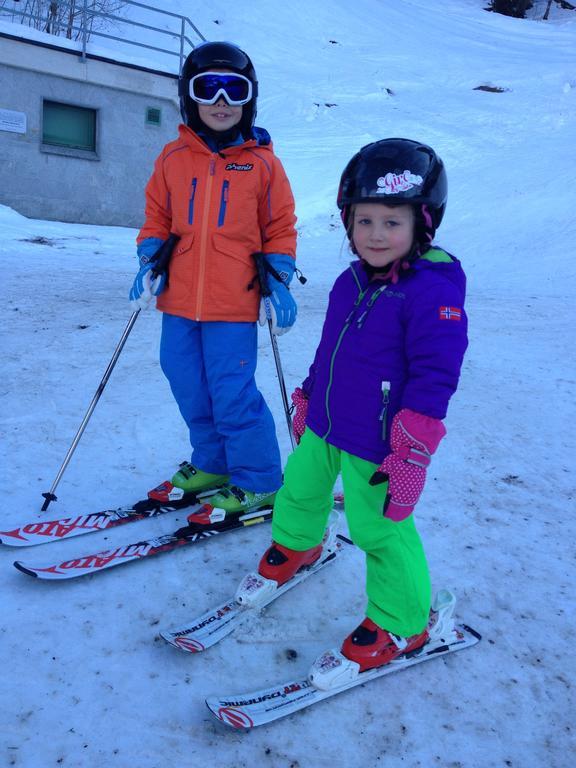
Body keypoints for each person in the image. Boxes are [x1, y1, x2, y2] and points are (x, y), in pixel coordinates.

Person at [253, 138, 468, 673]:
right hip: (326, 425)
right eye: (364, 220)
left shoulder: (432, 291)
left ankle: (403, 622)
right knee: (299, 489)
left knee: (380, 529)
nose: (375, 234)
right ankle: (298, 545)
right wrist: (307, 394)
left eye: (391, 222)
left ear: (423, 224)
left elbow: (436, 374)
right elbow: (331, 348)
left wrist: (412, 451)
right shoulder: (350, 282)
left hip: (380, 443)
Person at [129, 41, 298, 513]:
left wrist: (279, 278)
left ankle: (260, 477)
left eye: (233, 89)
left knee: (232, 393)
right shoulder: (171, 157)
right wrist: (148, 260)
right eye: (209, 88)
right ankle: (214, 461)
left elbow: (280, 226)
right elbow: (156, 218)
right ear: (190, 96)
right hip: (179, 299)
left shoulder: (263, 163)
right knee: (186, 382)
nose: (221, 101)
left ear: (249, 98)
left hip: (233, 302)